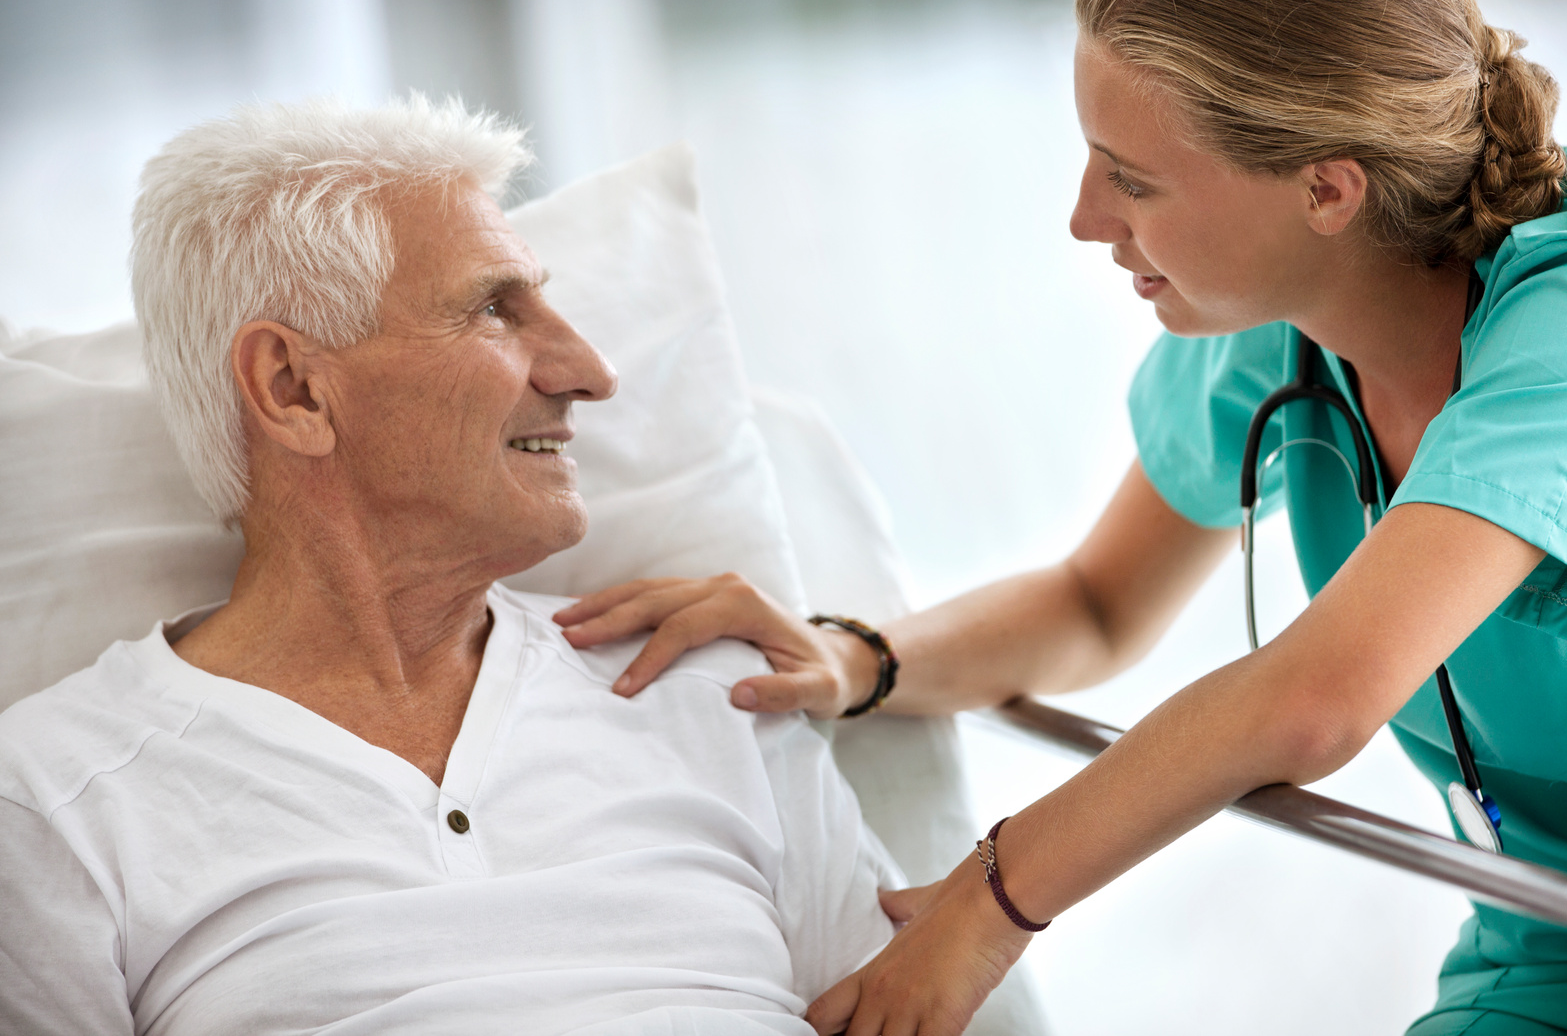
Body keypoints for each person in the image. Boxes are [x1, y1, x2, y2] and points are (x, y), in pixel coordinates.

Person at [554, 0, 1567, 1033]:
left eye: (1129, 179)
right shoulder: (1288, 321)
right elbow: (1096, 604)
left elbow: (1316, 700)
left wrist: (987, 907)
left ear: (1327, 191)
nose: (1082, 218)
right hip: (1564, 930)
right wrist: (857, 657)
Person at [0, 98, 900, 1035]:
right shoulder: (53, 803)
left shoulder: (713, 693)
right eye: (492, 309)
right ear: (292, 388)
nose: (591, 370)